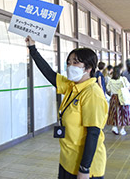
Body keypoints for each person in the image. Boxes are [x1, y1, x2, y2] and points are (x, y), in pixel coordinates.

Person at [26, 36, 108, 179]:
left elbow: (93, 133)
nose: (70, 67)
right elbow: (50, 74)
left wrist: (84, 168)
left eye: (75, 63)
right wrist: (32, 49)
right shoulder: (72, 85)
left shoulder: (93, 94)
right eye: (68, 63)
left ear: (88, 68)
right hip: (67, 159)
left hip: (86, 166)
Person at [106, 66, 130, 135]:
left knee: (114, 112)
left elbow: (108, 89)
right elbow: (128, 87)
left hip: (114, 97)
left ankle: (114, 127)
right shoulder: (123, 79)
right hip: (122, 97)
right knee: (124, 113)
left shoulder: (111, 80)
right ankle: (122, 129)